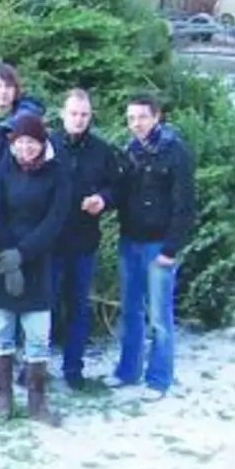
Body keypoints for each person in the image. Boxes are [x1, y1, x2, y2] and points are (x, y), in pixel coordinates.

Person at [0, 113, 69, 425]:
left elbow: (55, 221)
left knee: (37, 338)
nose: (26, 148)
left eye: (32, 142)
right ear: (12, 144)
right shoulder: (1, 171)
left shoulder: (57, 174)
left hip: (37, 264)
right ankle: (3, 396)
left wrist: (23, 255)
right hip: (2, 264)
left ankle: (37, 402)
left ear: (42, 144)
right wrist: (9, 259)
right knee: (1, 334)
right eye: (20, 142)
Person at [111, 94, 196, 398]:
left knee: (160, 316)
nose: (136, 124)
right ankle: (127, 371)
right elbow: (118, 194)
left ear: (156, 116)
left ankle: (158, 379)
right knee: (130, 311)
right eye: (131, 118)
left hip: (159, 245)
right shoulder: (128, 151)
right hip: (129, 242)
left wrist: (170, 249)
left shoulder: (175, 152)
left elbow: (184, 206)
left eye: (142, 117)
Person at [48, 89, 120, 389]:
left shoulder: (102, 150)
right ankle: (34, 366)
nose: (78, 119)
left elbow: (116, 188)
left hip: (83, 242)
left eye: (84, 114)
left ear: (90, 117)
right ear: (63, 114)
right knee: (44, 305)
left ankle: (73, 368)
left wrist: (103, 199)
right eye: (74, 113)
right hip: (50, 242)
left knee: (78, 307)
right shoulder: (47, 144)